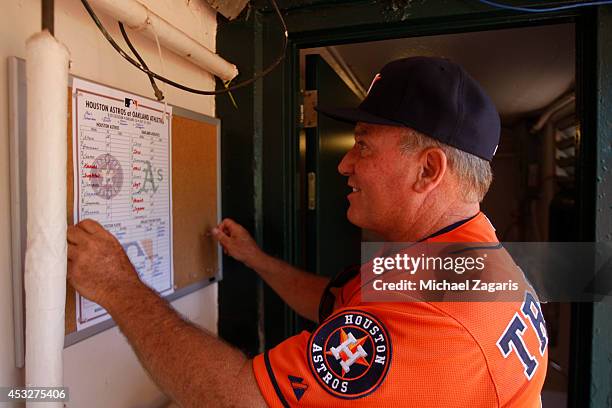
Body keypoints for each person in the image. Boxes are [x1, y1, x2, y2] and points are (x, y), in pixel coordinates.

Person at [68, 57, 548, 407]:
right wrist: (255, 259)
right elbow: (334, 302)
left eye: (363, 146)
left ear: (428, 170)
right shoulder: (465, 256)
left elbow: (242, 401)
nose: (344, 163)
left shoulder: (441, 313)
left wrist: (119, 287)